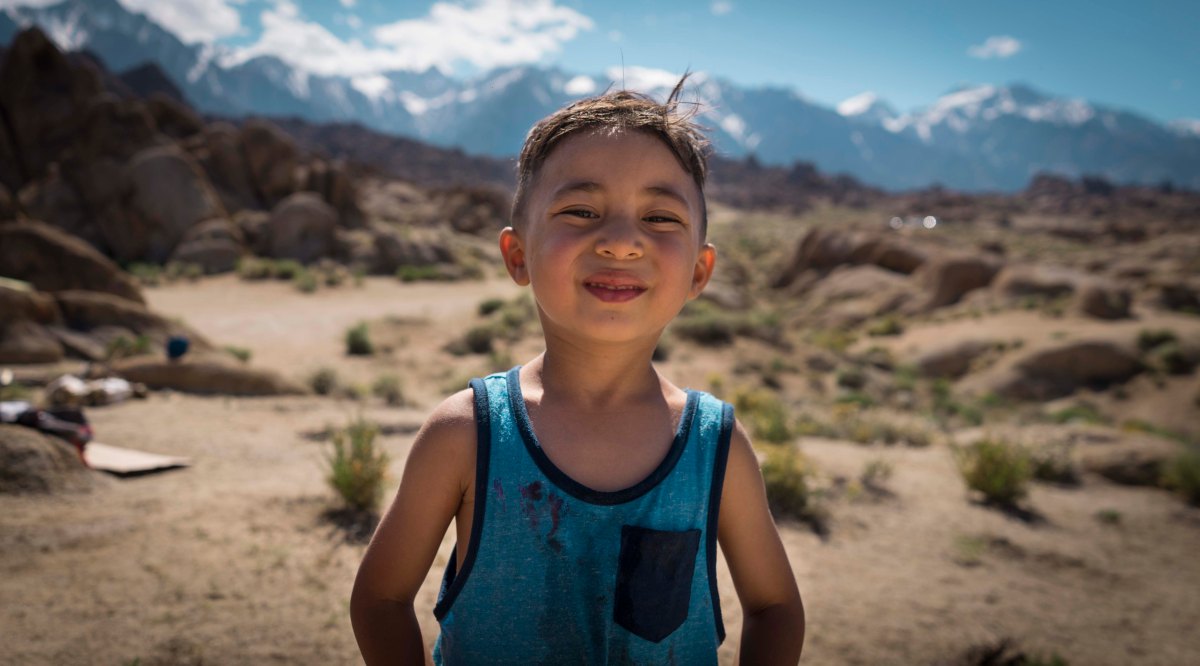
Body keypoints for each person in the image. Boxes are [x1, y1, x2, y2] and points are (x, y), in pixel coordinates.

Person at [350, 77, 805, 665]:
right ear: (518, 255)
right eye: (581, 210)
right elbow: (381, 599)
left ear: (699, 271)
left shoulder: (713, 445)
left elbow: (775, 606)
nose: (621, 242)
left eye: (660, 217)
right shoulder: (468, 433)